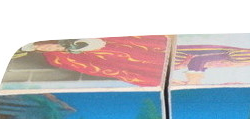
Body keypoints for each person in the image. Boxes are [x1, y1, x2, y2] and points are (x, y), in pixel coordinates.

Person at [16, 36, 169, 87]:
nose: (45, 47)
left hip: (113, 47)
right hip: (107, 57)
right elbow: (90, 67)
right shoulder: (55, 58)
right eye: (38, 48)